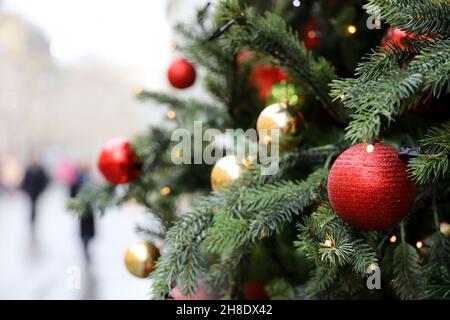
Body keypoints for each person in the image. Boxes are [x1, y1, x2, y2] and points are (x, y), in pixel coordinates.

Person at [70, 164, 95, 262]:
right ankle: (85, 247)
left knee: (90, 232)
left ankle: (87, 245)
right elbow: (72, 193)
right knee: (84, 231)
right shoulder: (77, 180)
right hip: (82, 209)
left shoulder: (90, 179)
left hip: (90, 210)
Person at [21, 157, 49, 231]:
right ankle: (32, 220)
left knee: (36, 206)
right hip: (30, 192)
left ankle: (35, 219)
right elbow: (25, 181)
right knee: (32, 206)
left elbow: (44, 181)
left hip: (37, 192)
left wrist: (41, 190)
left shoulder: (40, 170)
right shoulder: (29, 170)